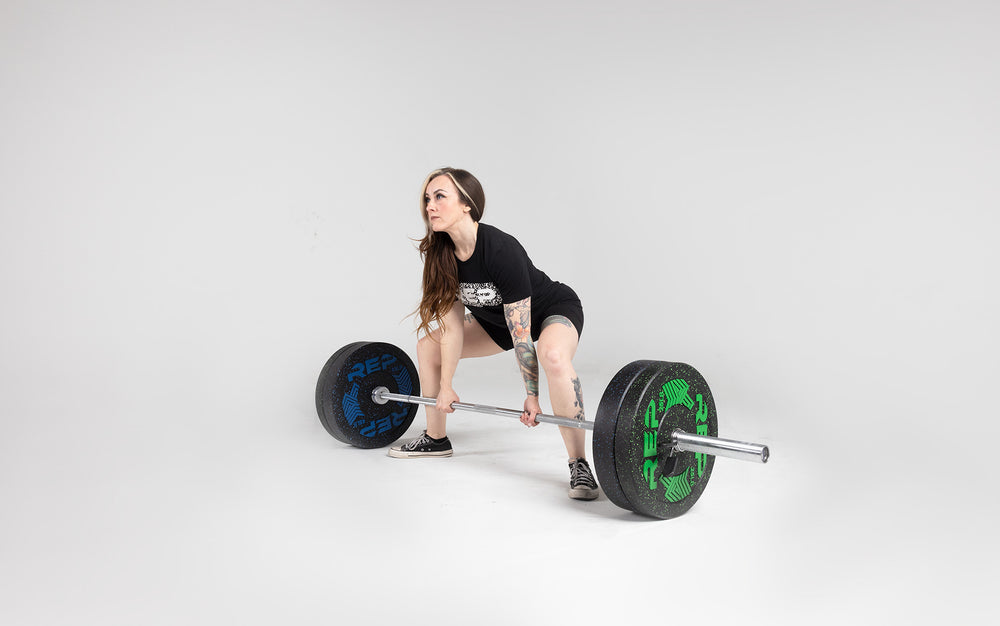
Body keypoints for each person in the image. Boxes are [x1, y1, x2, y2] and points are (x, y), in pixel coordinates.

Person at [388, 167, 599, 501]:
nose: (430, 205)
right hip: (496, 322)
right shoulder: (440, 254)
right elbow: (452, 327)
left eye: (440, 196)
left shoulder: (500, 250)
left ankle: (579, 464)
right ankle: (436, 438)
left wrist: (532, 395)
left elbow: (522, 333)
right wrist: (446, 388)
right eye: (428, 198)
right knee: (428, 346)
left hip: (550, 310)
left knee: (554, 356)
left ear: (467, 204)